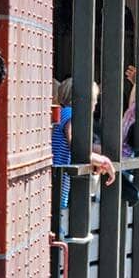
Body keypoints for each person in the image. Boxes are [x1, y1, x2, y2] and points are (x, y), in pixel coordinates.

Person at [51, 79, 117, 209]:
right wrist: (102, 160)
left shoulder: (64, 112)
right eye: (95, 99)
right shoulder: (71, 115)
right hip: (59, 181)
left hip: (57, 178)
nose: (96, 103)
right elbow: (76, 147)